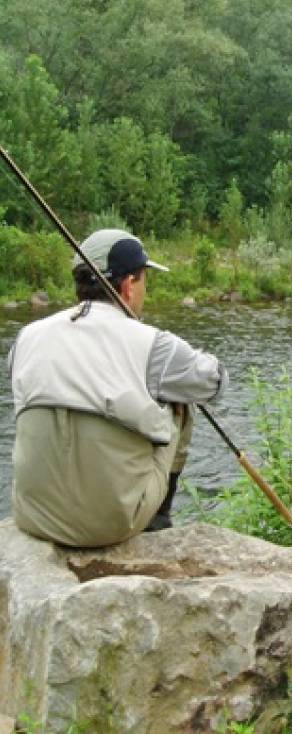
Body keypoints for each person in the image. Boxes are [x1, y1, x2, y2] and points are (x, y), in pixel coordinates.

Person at [7, 228, 227, 547]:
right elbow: (214, 383)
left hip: (33, 517)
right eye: (144, 279)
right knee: (180, 402)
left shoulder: (27, 336)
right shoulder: (154, 345)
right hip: (109, 527)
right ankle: (156, 522)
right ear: (128, 285)